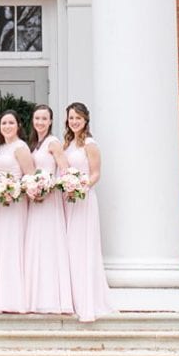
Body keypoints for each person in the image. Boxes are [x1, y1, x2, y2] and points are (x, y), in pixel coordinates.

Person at [59, 101, 114, 322]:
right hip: (68, 201)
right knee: (70, 248)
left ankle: (88, 302)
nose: (74, 122)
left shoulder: (89, 144)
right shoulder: (67, 144)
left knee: (83, 247)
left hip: (83, 200)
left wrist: (80, 187)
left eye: (78, 118)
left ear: (86, 120)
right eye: (71, 118)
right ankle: (71, 298)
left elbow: (96, 173)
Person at [23, 104, 74, 315]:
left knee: (50, 245)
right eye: (37, 119)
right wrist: (33, 188)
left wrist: (48, 186)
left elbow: (65, 170)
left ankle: (53, 299)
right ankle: (35, 298)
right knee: (36, 244)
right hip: (36, 201)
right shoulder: (34, 144)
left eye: (44, 119)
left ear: (51, 121)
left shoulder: (53, 143)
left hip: (50, 201)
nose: (40, 122)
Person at [0, 109, 36, 314]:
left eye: (11, 123)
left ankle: (14, 299)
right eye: (3, 123)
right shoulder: (0, 149)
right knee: (0, 246)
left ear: (18, 126)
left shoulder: (20, 147)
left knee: (12, 246)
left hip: (14, 204)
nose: (7, 127)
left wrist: (12, 189)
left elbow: (30, 177)